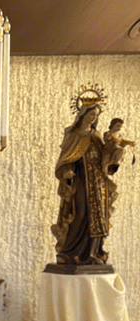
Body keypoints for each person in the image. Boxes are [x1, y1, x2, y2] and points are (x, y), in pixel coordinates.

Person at [52, 104, 128, 266]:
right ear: (82, 114)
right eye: (90, 114)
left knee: (99, 216)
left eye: (95, 115)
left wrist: (116, 154)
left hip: (98, 181)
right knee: (80, 213)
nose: (92, 118)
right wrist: (67, 171)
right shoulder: (72, 134)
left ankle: (94, 253)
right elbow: (66, 157)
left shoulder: (97, 135)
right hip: (81, 180)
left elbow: (104, 158)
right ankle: (69, 252)